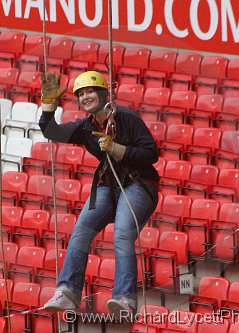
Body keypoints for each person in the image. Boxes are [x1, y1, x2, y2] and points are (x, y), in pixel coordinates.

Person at [38, 71, 160, 316]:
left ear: (104, 93)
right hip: (108, 185)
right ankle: (67, 291)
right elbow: (52, 132)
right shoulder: (86, 128)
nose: (85, 97)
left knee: (122, 234)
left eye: (90, 91)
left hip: (138, 184)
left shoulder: (126, 118)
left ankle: (125, 298)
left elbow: (151, 153)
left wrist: (118, 149)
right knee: (81, 231)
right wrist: (48, 107)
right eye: (81, 94)